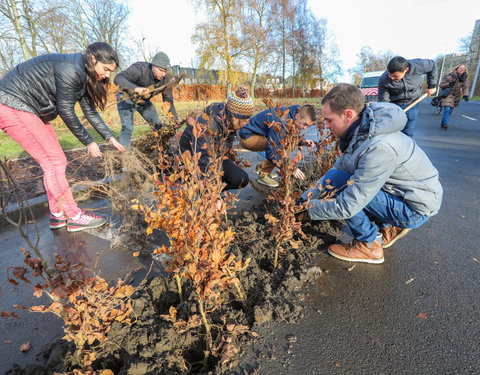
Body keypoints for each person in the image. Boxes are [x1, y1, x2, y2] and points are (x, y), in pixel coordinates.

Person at [299, 83, 443, 264]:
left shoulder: (378, 147)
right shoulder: (364, 128)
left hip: (414, 207)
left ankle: (369, 245)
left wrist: (307, 210)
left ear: (348, 115)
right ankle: (387, 227)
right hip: (404, 192)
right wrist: (302, 200)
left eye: (329, 120)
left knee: (345, 190)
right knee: (341, 180)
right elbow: (336, 173)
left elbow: (348, 205)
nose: (326, 126)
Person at [0, 42, 125, 232]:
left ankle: (57, 214)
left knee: (55, 162)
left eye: (111, 71)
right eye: (106, 69)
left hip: (28, 109)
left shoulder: (83, 73)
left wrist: (110, 138)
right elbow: (66, 111)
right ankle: (73, 216)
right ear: (93, 59)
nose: (108, 74)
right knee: (55, 162)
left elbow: (89, 111)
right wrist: (89, 142)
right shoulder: (71, 70)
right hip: (13, 104)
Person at [179, 85, 254, 191]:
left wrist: (224, 160)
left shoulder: (229, 122)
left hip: (214, 158)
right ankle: (205, 193)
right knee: (207, 187)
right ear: (234, 117)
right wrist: (211, 190)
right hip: (194, 161)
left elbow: (223, 151)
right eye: (245, 121)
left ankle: (216, 190)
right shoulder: (206, 124)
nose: (246, 124)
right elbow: (202, 160)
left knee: (241, 179)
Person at [238, 104, 316, 188]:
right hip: (248, 137)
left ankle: (262, 168)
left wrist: (302, 142)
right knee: (279, 146)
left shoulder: (292, 114)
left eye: (308, 126)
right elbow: (273, 150)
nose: (305, 128)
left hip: (259, 134)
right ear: (297, 116)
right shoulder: (281, 121)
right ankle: (263, 175)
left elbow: (289, 135)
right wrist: (290, 168)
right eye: (305, 124)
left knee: (286, 143)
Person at [114, 52, 178, 147]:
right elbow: (118, 78)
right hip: (125, 97)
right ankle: (124, 157)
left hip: (143, 102)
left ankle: (161, 152)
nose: (163, 74)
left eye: (165, 71)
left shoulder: (165, 80)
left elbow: (168, 102)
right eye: (161, 70)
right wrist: (136, 89)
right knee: (127, 127)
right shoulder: (140, 69)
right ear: (153, 66)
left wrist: (175, 121)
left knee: (158, 126)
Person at [378, 56, 437, 137]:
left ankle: (407, 146)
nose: (391, 78)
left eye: (395, 76)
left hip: (412, 103)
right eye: (389, 75)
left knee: (408, 132)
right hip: (395, 105)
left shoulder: (417, 65)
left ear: (405, 70)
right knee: (394, 132)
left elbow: (432, 65)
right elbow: (384, 101)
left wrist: (432, 86)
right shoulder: (384, 79)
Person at [439, 64, 470, 129]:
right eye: (460, 68)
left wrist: (466, 95)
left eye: (463, 68)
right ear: (457, 69)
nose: (462, 69)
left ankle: (443, 122)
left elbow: (466, 87)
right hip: (448, 94)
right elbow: (441, 85)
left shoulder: (465, 78)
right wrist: (449, 84)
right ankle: (445, 124)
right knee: (447, 109)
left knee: (449, 110)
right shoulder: (450, 76)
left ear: (465, 70)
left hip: (456, 96)